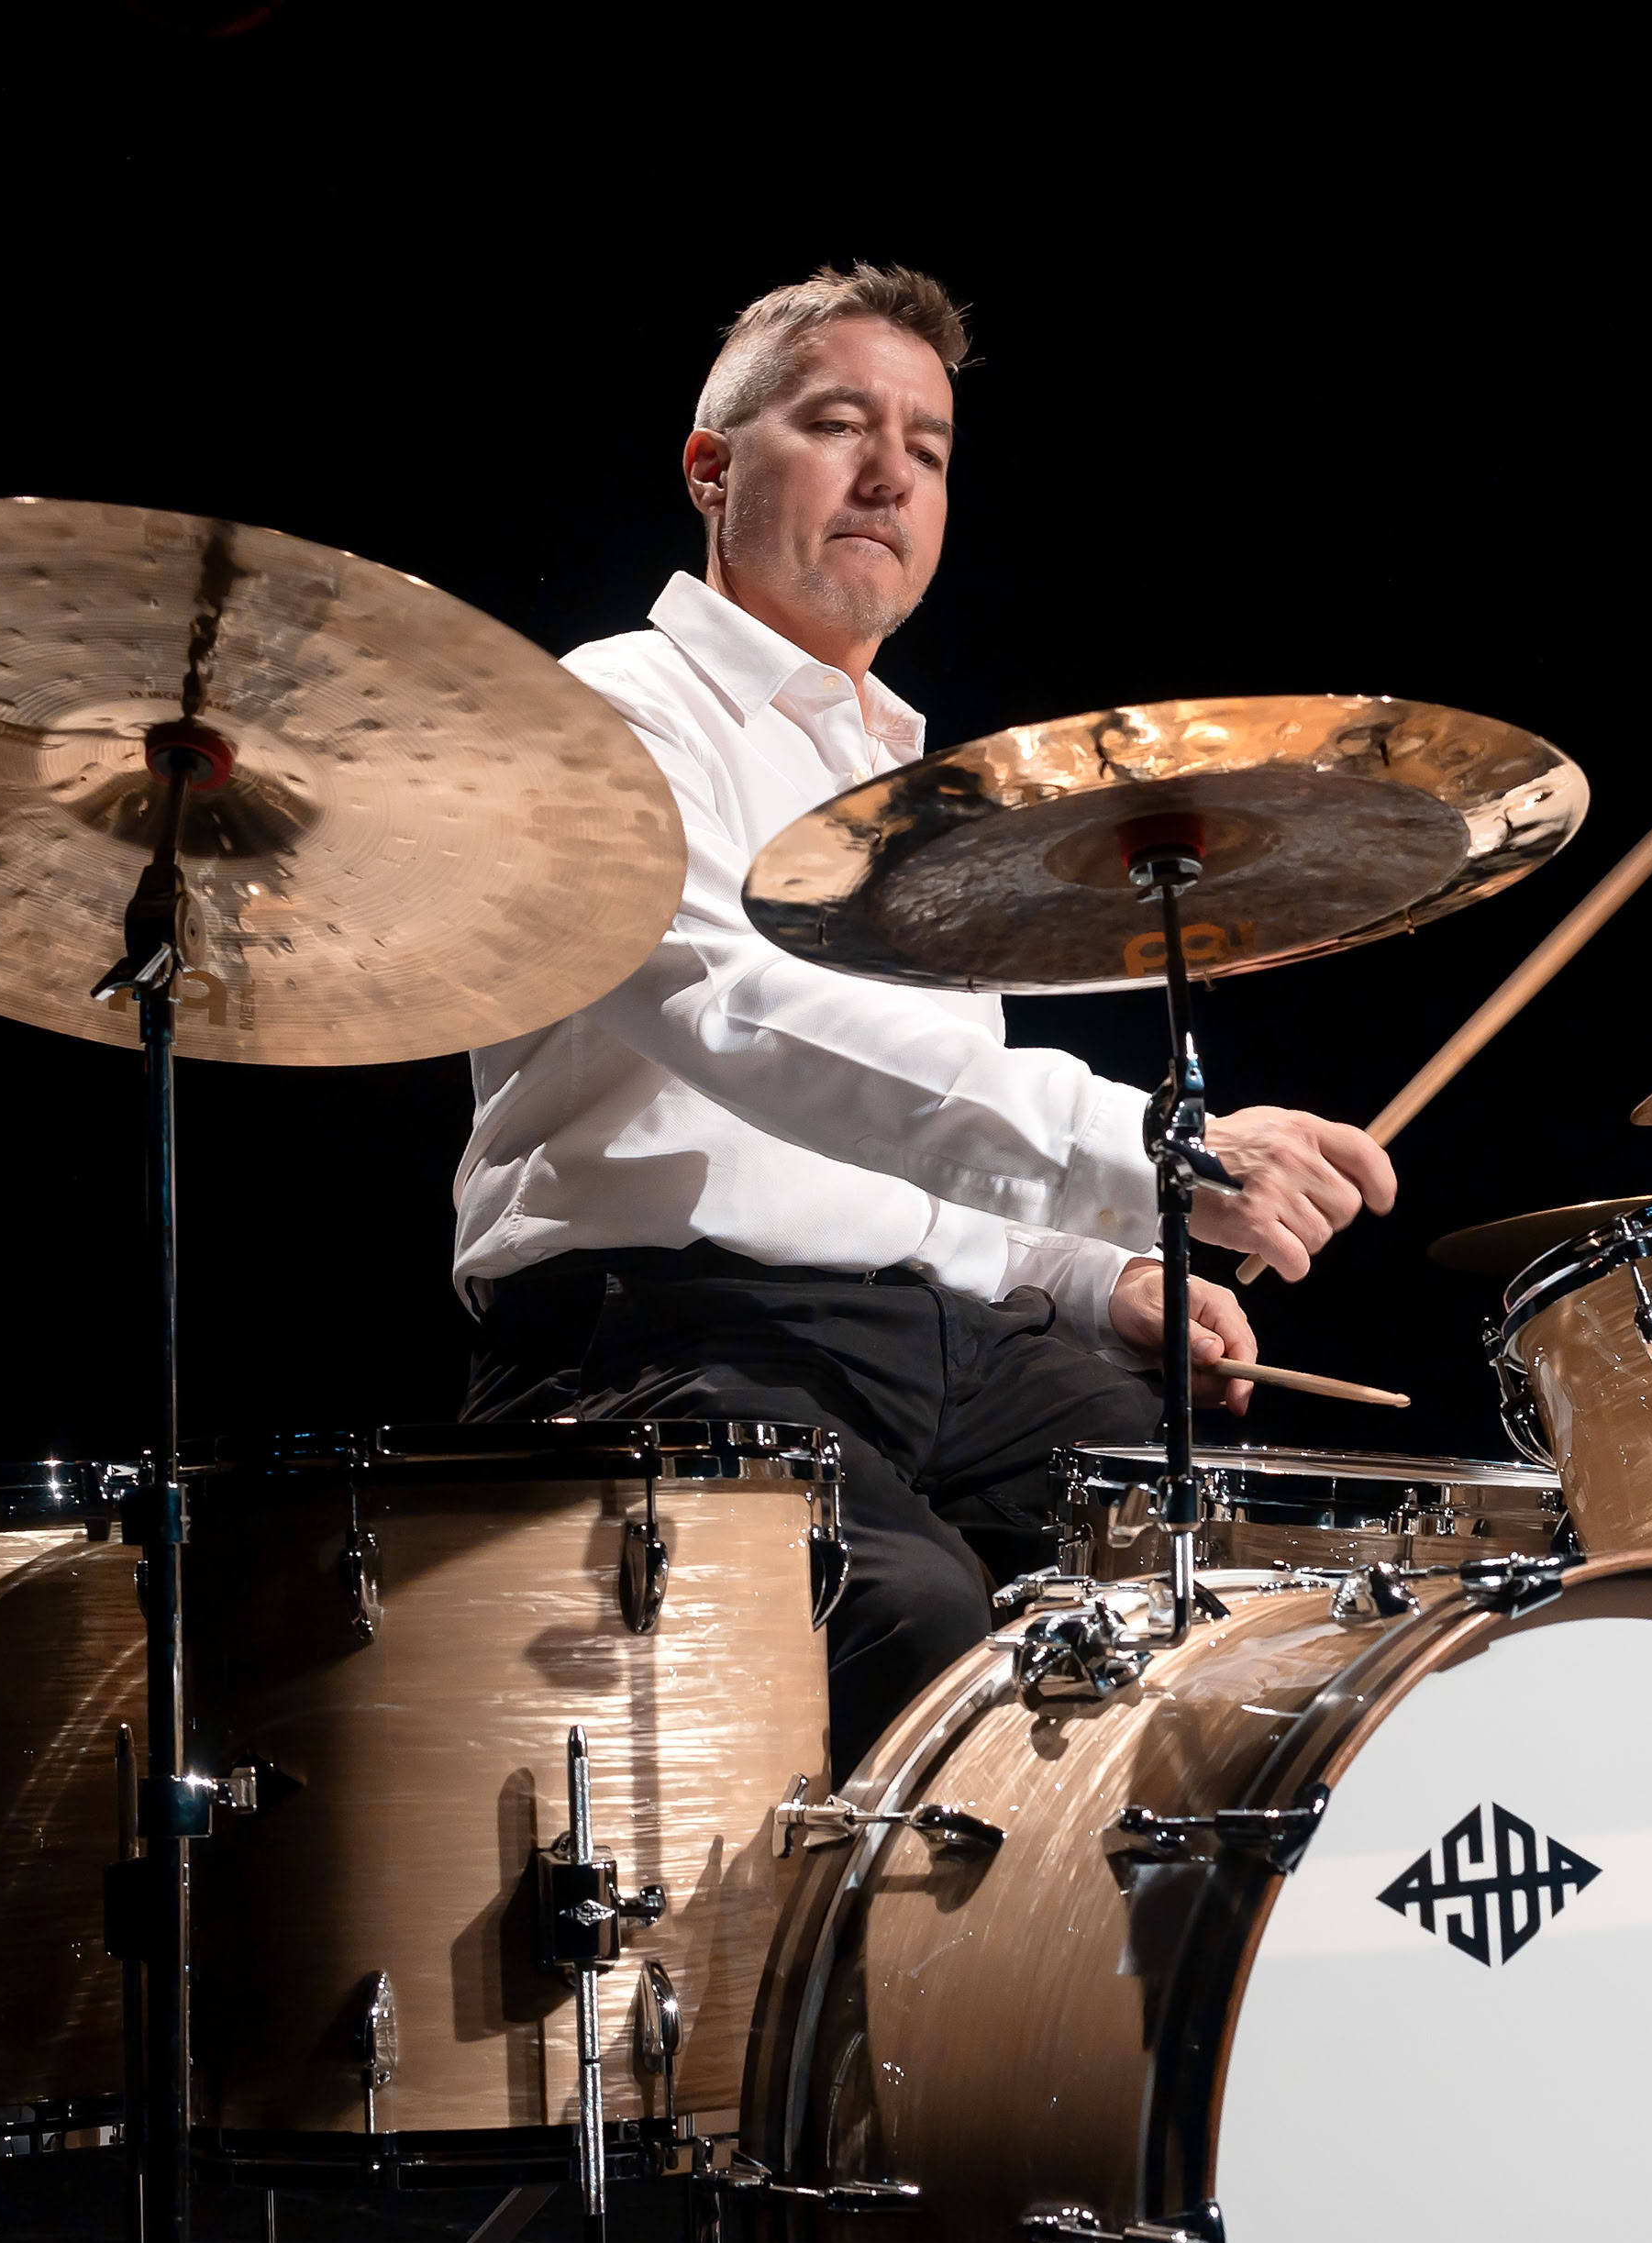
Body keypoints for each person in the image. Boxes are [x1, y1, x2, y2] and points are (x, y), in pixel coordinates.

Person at [452, 263, 1394, 1775]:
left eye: (931, 449)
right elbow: (736, 1011)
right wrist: (1158, 1151)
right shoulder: (611, 713)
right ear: (710, 469)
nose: (892, 476)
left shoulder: (913, 789)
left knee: (1239, 1578)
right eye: (840, 425)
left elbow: (928, 1136)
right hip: (668, 1337)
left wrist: (1094, 1276)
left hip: (945, 1344)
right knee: (913, 1617)